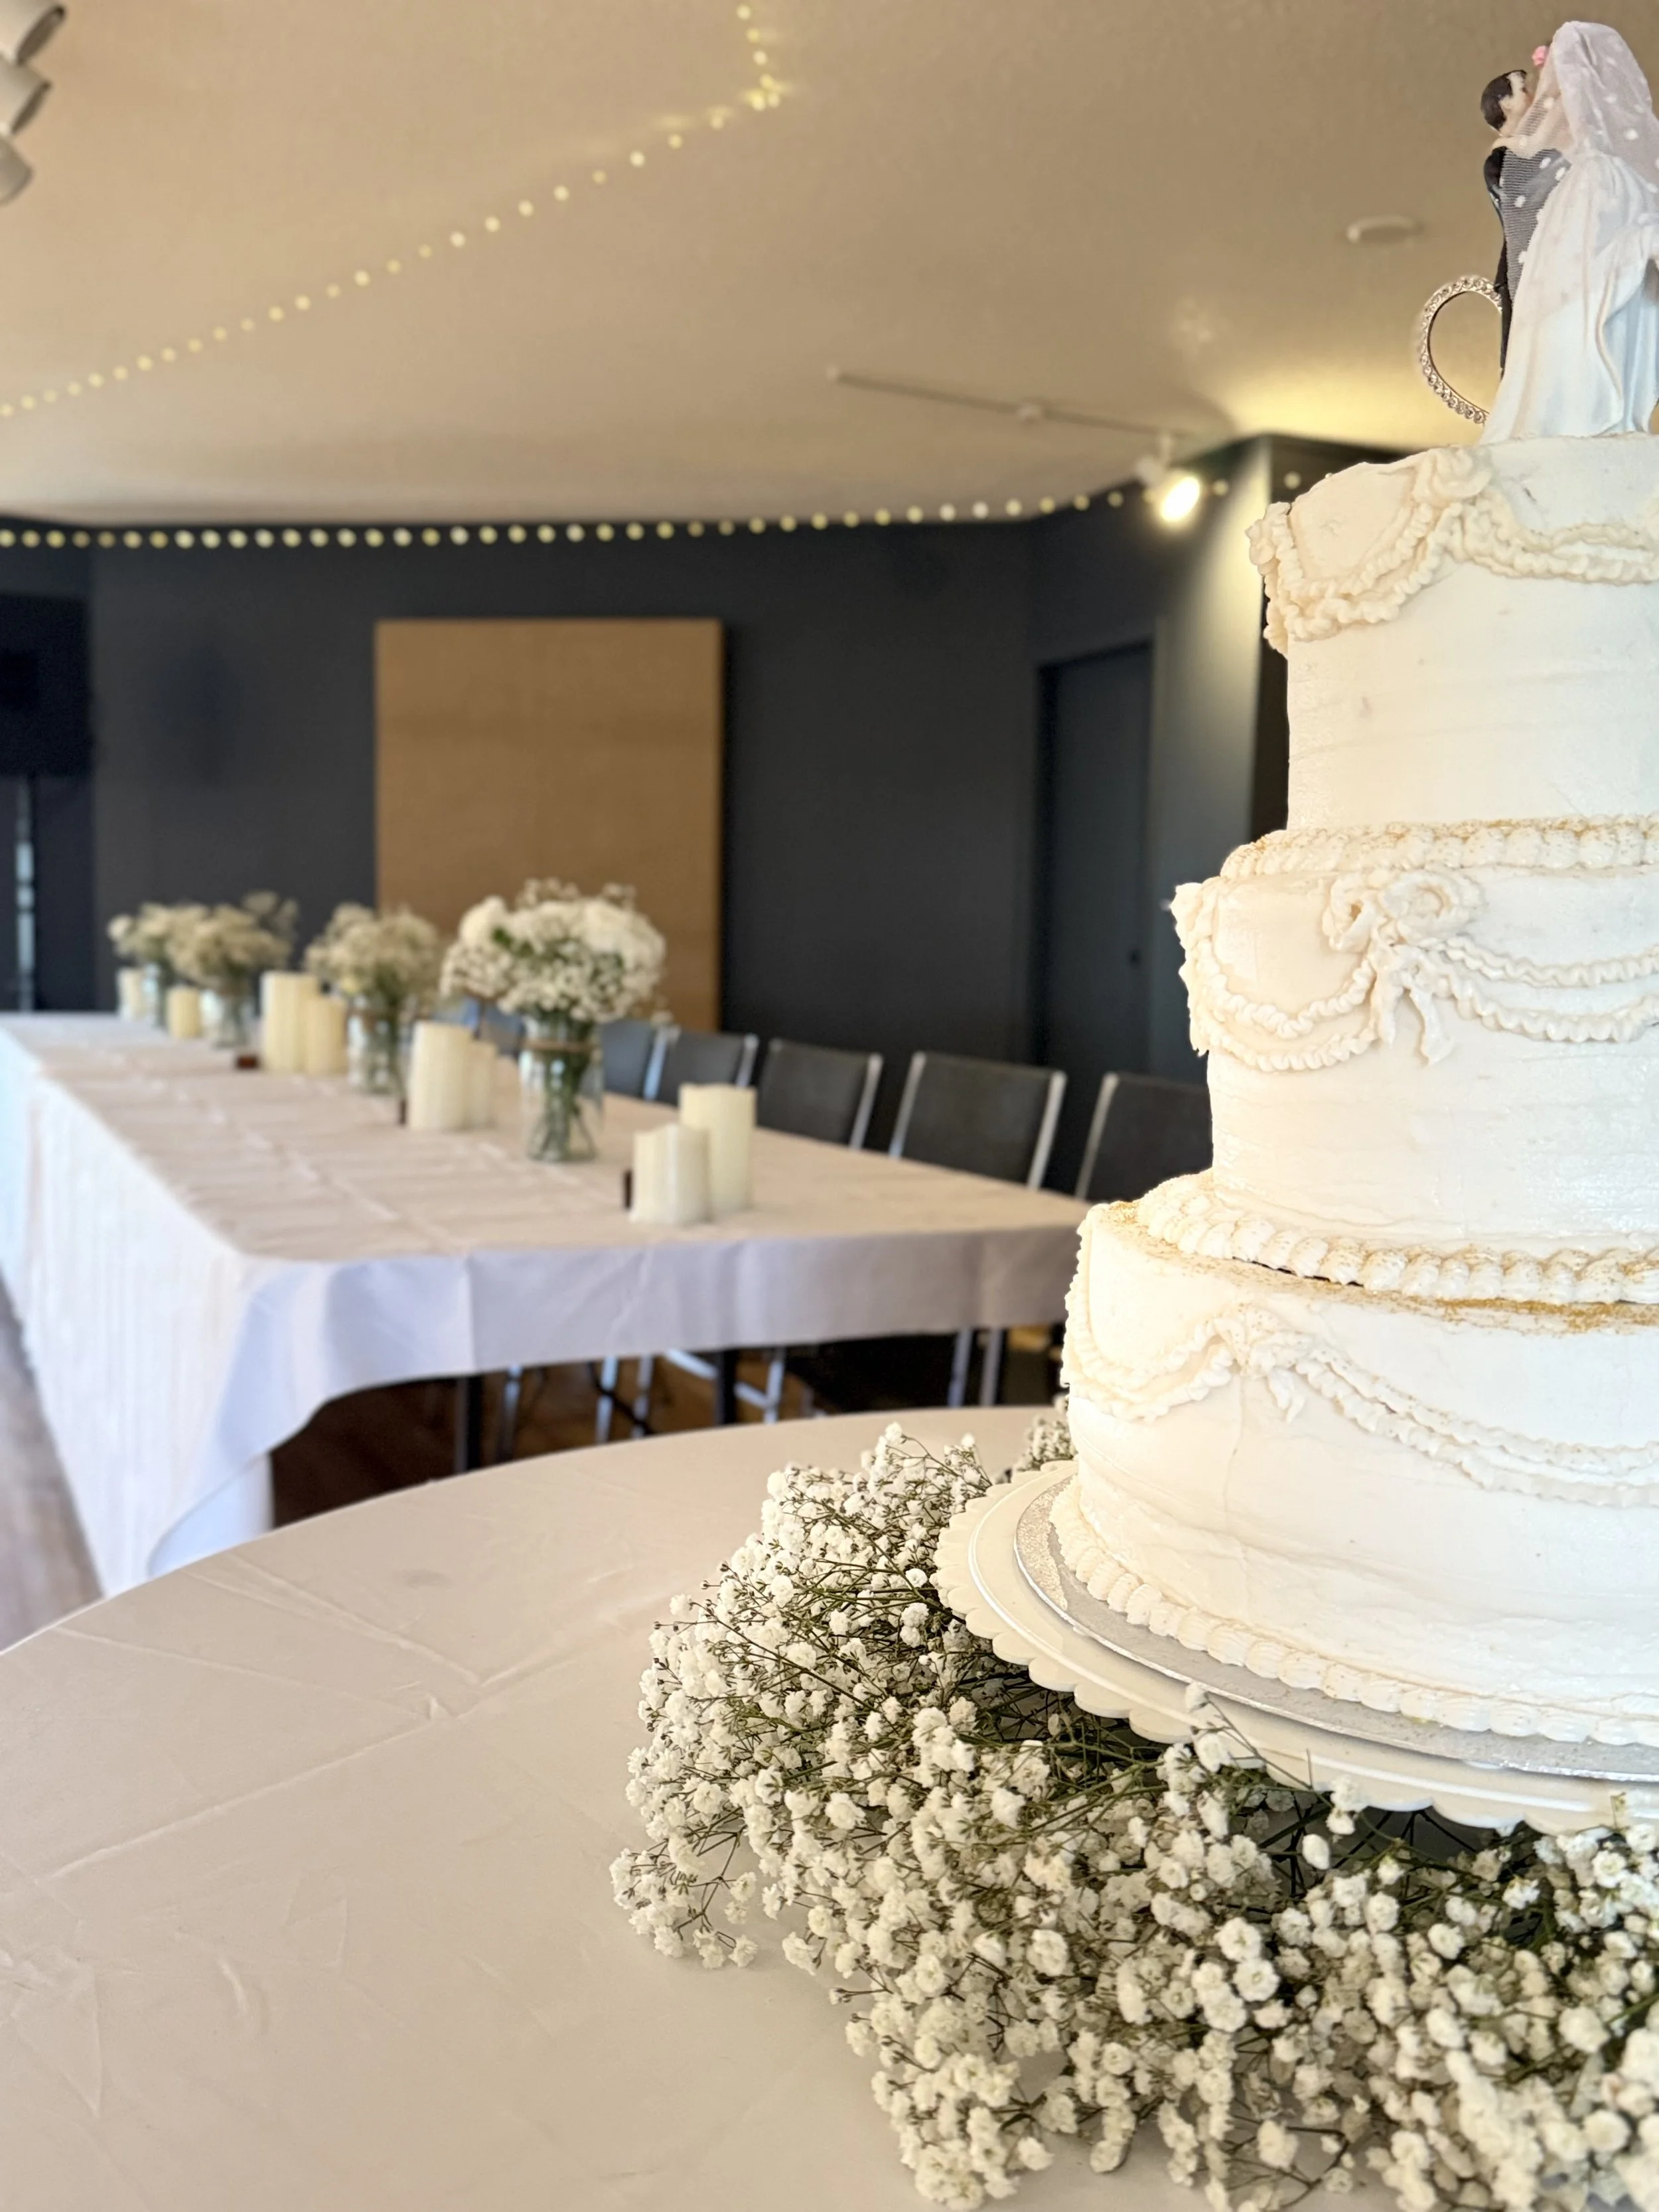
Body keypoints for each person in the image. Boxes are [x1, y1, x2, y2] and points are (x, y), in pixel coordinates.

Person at [1483, 21, 1659, 441]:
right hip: (1583, 315)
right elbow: (1582, 269)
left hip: (1607, 306)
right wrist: (1645, 244)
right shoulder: (1589, 176)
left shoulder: (1596, 172)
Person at [1481, 63, 1563, 364]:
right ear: (1506, 104)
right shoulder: (1500, 162)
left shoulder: (1544, 149)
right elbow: (1522, 204)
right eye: (1525, 90)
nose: (1533, 96)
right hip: (1527, 267)